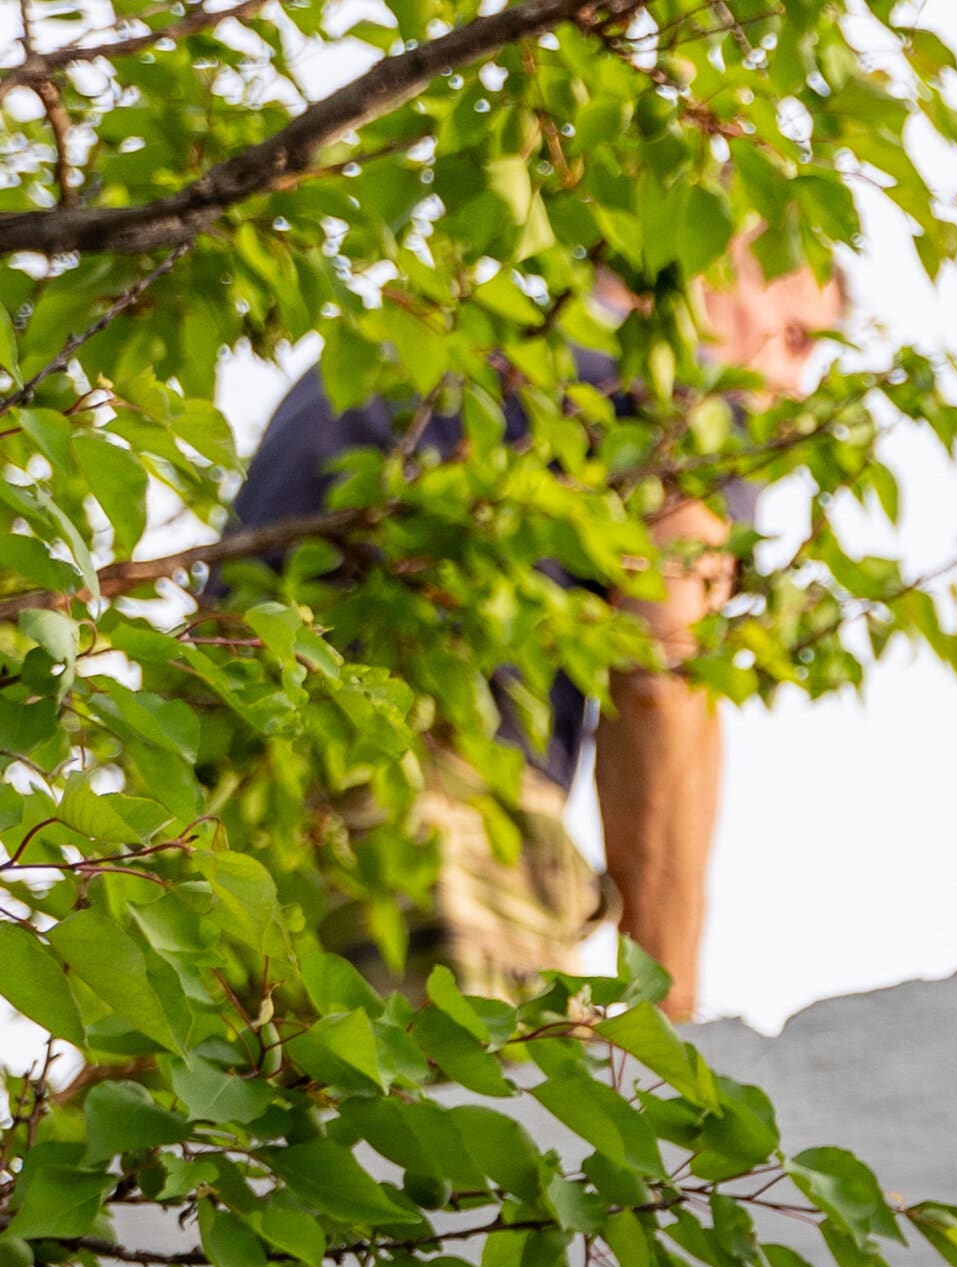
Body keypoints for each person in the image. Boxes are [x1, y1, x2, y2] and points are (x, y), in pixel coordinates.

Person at [221, 247, 840, 1016]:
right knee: (462, 1119)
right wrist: (669, 1005)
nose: (791, 382)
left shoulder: (387, 344)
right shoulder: (680, 395)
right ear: (711, 263)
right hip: (427, 829)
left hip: (203, 843)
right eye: (796, 335)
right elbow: (660, 674)